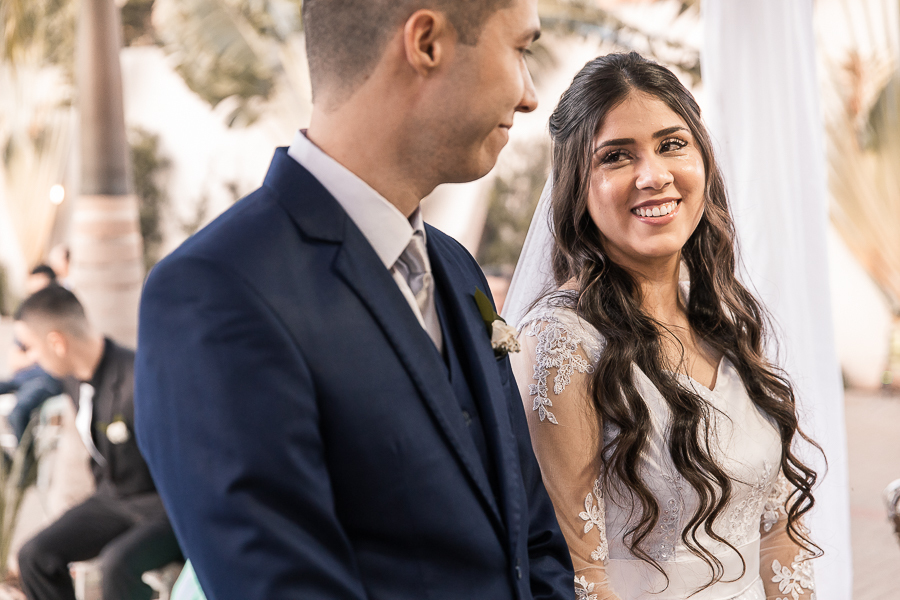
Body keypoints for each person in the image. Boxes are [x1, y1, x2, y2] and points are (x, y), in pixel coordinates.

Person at [134, 1, 573, 599]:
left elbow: (533, 541)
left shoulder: (455, 267)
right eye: (521, 49)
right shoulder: (216, 292)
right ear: (427, 43)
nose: (529, 96)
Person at [506, 52, 822, 600]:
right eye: (617, 157)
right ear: (577, 188)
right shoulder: (560, 342)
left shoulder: (721, 317)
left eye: (672, 145)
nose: (654, 176)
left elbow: (778, 531)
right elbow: (577, 568)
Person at [14, 286, 182, 600]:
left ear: (56, 342)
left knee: (116, 566)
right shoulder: (72, 378)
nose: (30, 358)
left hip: (163, 509)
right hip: (113, 499)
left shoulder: (138, 378)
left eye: (31, 347)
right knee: (34, 557)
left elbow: (182, 466)